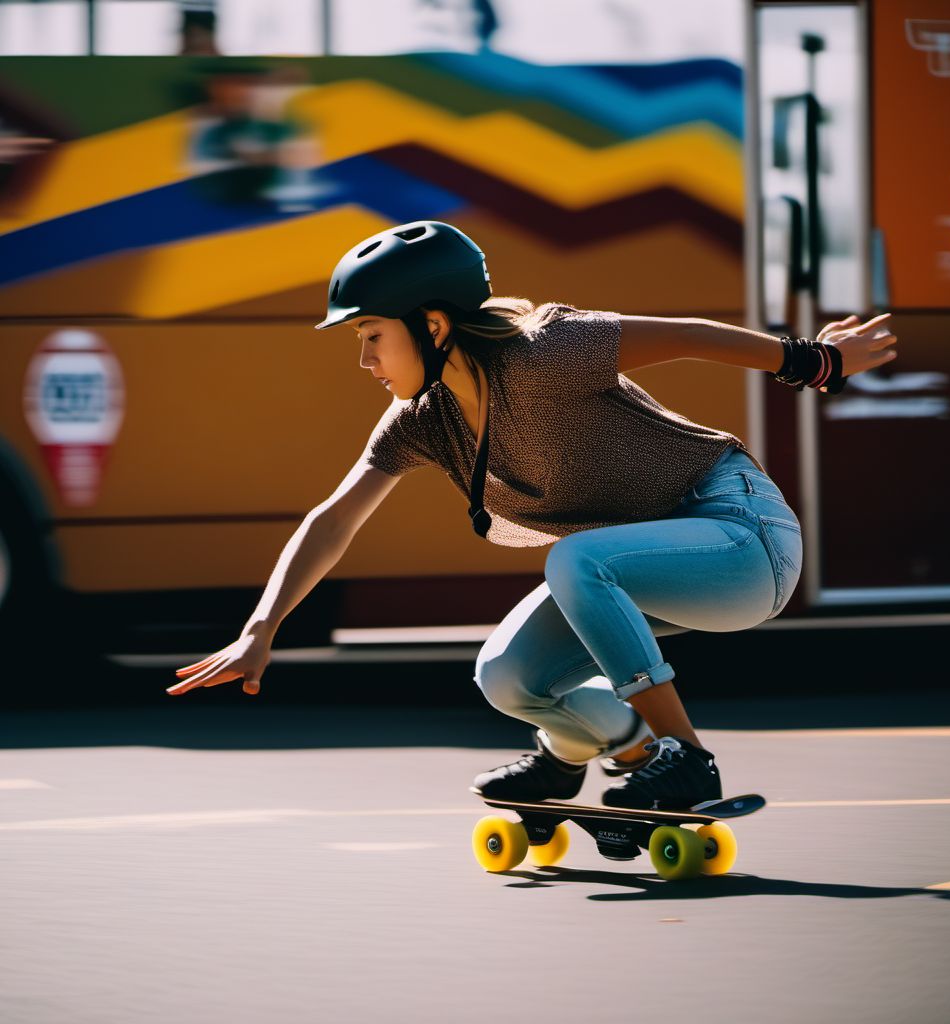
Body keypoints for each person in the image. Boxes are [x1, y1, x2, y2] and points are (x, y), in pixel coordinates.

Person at [166, 219, 897, 812]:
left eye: (372, 337)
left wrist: (813, 361)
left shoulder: (545, 353)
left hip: (744, 542)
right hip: (641, 570)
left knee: (576, 559)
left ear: (432, 325)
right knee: (506, 675)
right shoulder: (419, 421)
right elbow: (334, 519)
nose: (365, 362)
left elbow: (685, 335)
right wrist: (261, 629)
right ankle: (571, 756)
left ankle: (686, 760)